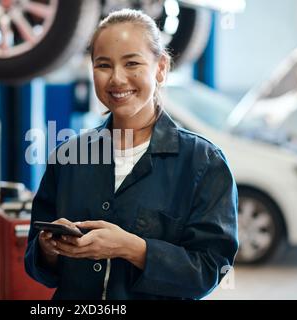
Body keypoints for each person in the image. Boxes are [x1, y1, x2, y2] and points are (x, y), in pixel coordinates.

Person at [24, 8, 238, 300]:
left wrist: (132, 248)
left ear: (160, 67)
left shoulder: (203, 163)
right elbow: (37, 266)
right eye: (103, 65)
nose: (117, 79)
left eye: (132, 63)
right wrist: (48, 248)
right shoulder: (68, 156)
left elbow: (211, 270)